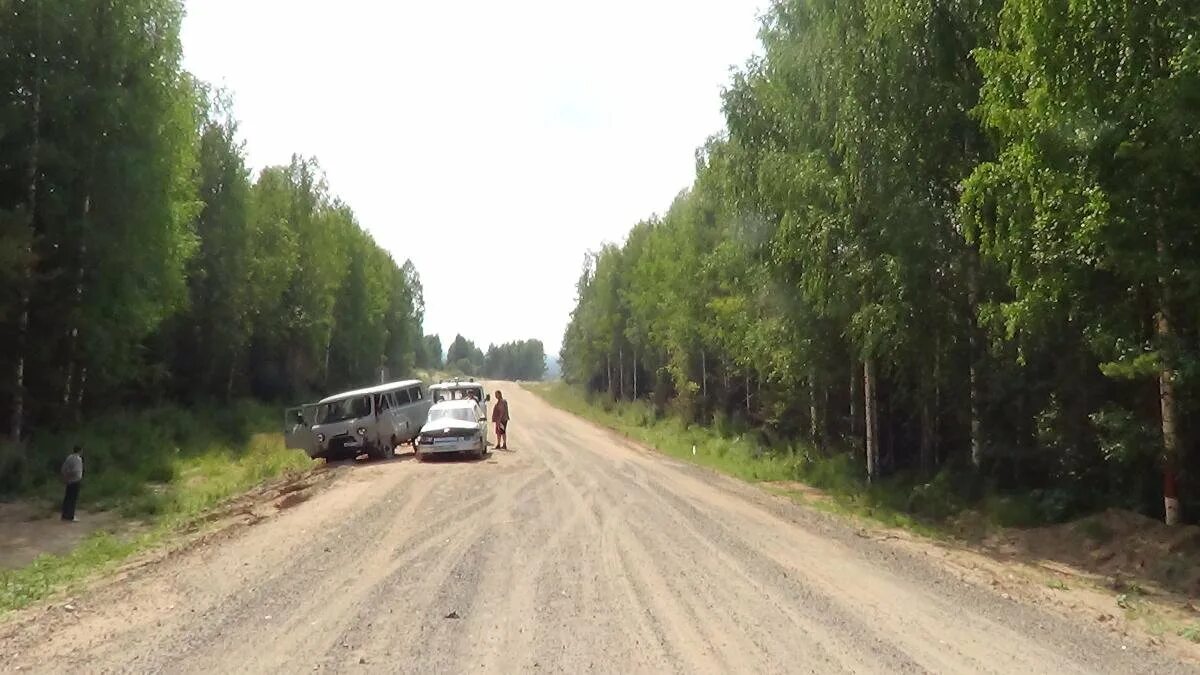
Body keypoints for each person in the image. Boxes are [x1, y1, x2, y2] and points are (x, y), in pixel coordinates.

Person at [61, 445, 84, 522]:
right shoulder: (78, 459)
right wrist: (73, 475)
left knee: (67, 498)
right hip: (75, 481)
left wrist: (66, 476)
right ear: (80, 451)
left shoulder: (69, 457)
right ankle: (70, 516)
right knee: (73, 499)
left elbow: (63, 468)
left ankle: (64, 515)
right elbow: (76, 470)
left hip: (69, 481)